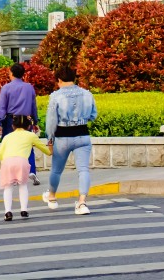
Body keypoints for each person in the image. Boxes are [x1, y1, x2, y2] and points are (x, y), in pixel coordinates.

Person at [43, 66, 98, 215]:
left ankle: (52, 197)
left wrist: (50, 140)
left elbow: (51, 121)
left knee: (56, 170)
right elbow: (93, 115)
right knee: (83, 170)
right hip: (82, 135)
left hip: (62, 136)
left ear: (59, 80)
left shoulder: (56, 96)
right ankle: (82, 203)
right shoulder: (87, 94)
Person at [0, 114, 51, 221]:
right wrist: (51, 147)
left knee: (8, 187)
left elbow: (0, 154)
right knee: (22, 186)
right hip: (22, 161)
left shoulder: (7, 137)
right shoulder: (30, 136)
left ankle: (7, 212)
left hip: (7, 162)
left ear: (13, 126)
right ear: (28, 126)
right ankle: (24, 210)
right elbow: (46, 151)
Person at [0, 63, 41, 186]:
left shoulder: (6, 88)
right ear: (23, 74)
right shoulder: (29, 87)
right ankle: (32, 171)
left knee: (11, 148)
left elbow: (2, 107)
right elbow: (33, 106)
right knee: (28, 146)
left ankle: (14, 177)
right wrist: (35, 121)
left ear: (11, 73)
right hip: (26, 120)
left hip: (11, 120)